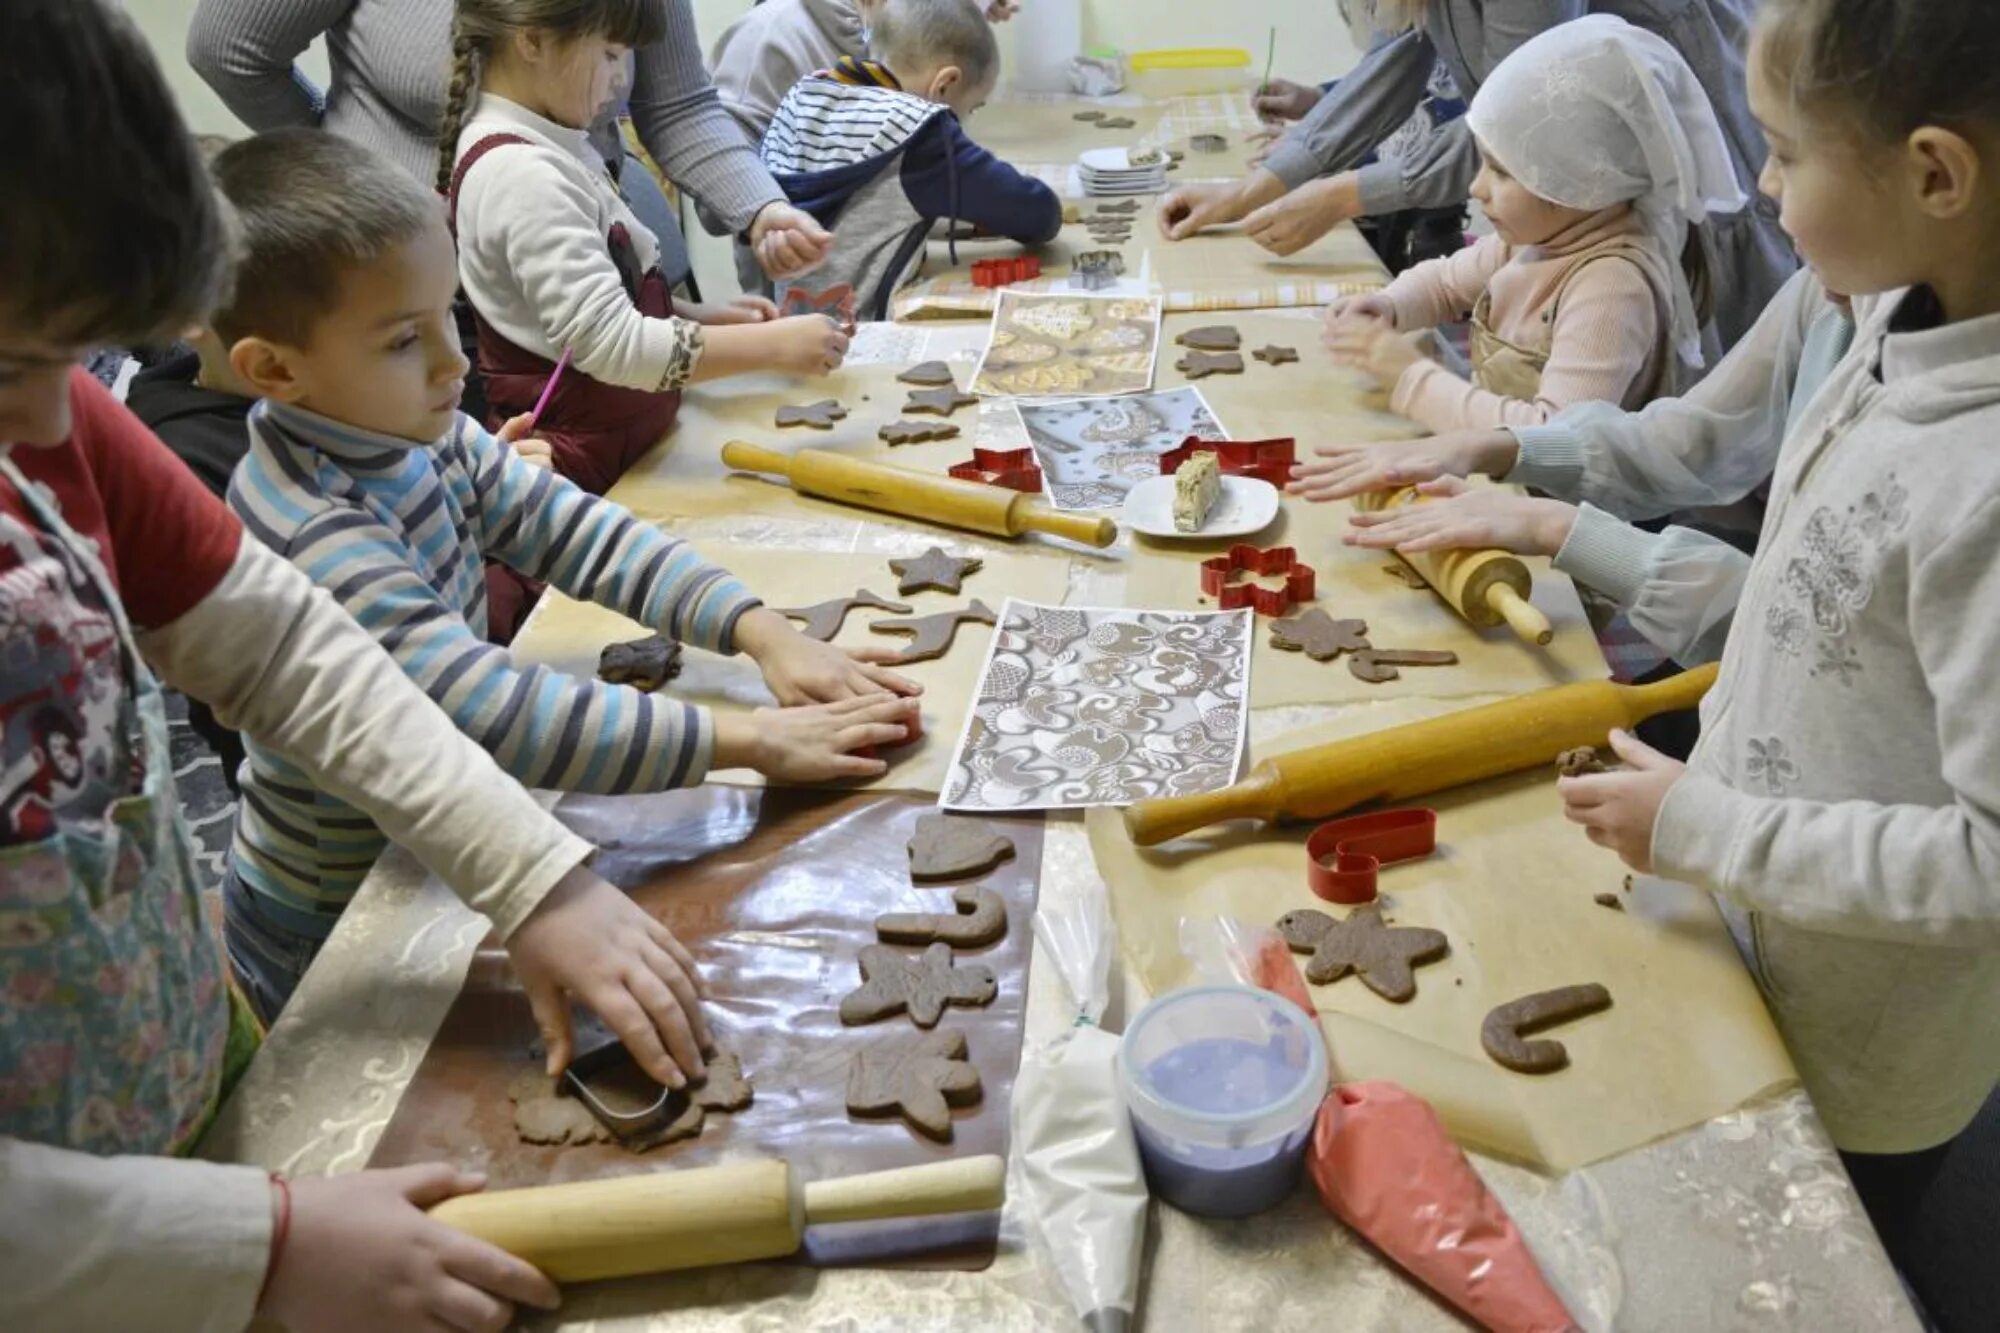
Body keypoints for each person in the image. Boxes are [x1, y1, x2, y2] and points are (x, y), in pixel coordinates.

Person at [0, 5, 707, 1327]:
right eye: (8, 367)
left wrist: (532, 876)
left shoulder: (62, 420)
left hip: (175, 1074)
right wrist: (233, 1248)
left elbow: (281, 649)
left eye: (76, 362)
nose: (56, 421)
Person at [1316, 0, 2000, 1300]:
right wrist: (1505, 455)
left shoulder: (1984, 475)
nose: (1758, 186)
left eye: (1790, 153)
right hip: (1737, 908)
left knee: (1820, 1271)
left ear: (1933, 174)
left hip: (1866, 1031)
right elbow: (1701, 440)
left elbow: (1987, 854)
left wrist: (1708, 825)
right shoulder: (1857, 299)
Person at [211, 128, 921, 1023]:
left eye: (452, 317)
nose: (455, 362)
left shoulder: (425, 435)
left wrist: (759, 631)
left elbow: (580, 534)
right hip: (342, 904)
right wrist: (748, 743)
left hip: (441, 835)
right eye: (403, 341)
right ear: (276, 369)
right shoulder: (313, 526)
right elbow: (485, 709)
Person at [1158, 0, 1795, 352]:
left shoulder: (1611, 273)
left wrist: (1346, 193)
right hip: (1621, 193)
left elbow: (1526, 120)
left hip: (1705, 186)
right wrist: (1257, 186)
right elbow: (1398, 56)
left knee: (1728, 408)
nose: (1480, 193)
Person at [441, 0, 855, 494]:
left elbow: (579, 307)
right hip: (581, 474)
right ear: (532, 40)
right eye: (611, 54)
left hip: (630, 450)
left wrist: (695, 316)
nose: (620, 81)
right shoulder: (521, 175)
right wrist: (775, 347)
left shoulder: (552, 147)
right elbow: (612, 344)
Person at [187, 0, 836, 285]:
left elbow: (680, 103)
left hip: (582, 256)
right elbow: (230, 51)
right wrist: (347, 166)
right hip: (409, 271)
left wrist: (763, 208)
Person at [1322, 17, 1740, 438]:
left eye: (1502, 172)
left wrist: (1411, 377)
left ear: (1574, 180)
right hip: (1505, 480)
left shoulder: (1611, 288)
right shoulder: (1535, 242)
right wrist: (1389, 306)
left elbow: (1553, 440)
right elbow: (1445, 284)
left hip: (1566, 502)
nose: (1476, 187)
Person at [758, 0, 1064, 321]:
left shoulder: (805, 97)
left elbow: (873, 205)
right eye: (971, 108)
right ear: (944, 84)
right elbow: (1035, 213)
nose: (964, 122)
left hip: (792, 332)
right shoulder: (921, 134)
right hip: (866, 336)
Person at [1251, 0, 1469, 276]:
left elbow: (1453, 125)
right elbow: (1392, 78)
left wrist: (1335, 154)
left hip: (1426, 220)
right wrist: (1320, 99)